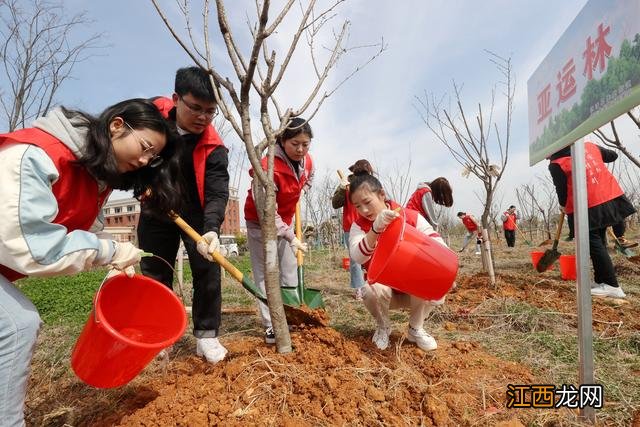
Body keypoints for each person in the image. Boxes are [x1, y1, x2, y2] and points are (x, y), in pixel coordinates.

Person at [0, 98, 181, 426]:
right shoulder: (36, 155)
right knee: (15, 324)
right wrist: (109, 252)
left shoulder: (95, 176)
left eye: (152, 158)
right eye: (144, 147)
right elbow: (35, 248)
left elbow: (90, 230)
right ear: (117, 125)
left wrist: (114, 258)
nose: (143, 160)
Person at [137, 66, 229, 363]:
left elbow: (217, 192)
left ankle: (207, 336)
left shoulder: (214, 146)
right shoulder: (149, 118)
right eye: (196, 108)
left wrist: (212, 228)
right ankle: (161, 335)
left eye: (211, 111)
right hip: (156, 206)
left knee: (208, 270)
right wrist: (141, 185)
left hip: (196, 212)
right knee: (155, 270)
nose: (203, 117)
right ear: (176, 99)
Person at [348, 170, 449, 351]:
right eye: (357, 206)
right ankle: (383, 326)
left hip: (412, 288)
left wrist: (446, 271)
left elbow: (438, 244)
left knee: (437, 285)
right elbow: (358, 255)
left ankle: (415, 328)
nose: (363, 210)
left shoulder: (409, 217)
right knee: (368, 290)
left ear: (382, 195)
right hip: (384, 291)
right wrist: (375, 230)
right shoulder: (359, 226)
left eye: (367, 202)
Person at [244, 117, 314, 344]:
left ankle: (291, 316)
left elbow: (310, 174)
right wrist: (291, 235)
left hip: (285, 220)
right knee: (266, 273)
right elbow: (267, 213)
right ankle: (270, 324)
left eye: (306, 144)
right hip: (260, 223)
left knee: (289, 269)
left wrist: (305, 186)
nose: (301, 149)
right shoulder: (266, 167)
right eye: (295, 143)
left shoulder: (307, 161)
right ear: (283, 141)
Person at [549, 142, 636, 298]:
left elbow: (561, 190)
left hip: (587, 204)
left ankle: (612, 285)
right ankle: (601, 281)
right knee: (598, 241)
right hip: (609, 196)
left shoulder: (556, 164)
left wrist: (562, 205)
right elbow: (613, 155)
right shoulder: (588, 146)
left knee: (592, 242)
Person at [332, 159, 373, 300]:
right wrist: (342, 189)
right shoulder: (347, 185)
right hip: (351, 226)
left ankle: (371, 284)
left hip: (369, 226)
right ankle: (359, 289)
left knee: (372, 256)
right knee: (356, 259)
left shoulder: (370, 184)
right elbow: (335, 204)